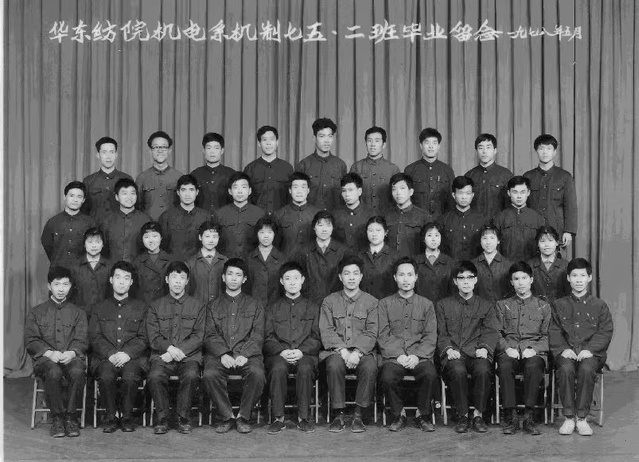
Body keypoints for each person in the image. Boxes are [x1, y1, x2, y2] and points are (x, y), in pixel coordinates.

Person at [550, 258, 613, 436]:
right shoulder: (559, 305)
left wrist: (590, 350)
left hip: (592, 353)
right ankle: (569, 418)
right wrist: (563, 349)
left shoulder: (599, 305)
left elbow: (605, 331)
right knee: (565, 368)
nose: (579, 280)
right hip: (567, 351)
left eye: (583, 276)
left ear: (589, 278)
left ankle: (582, 418)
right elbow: (554, 330)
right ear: (568, 278)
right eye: (574, 275)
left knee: (586, 369)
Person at [202, 258, 266, 434]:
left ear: (244, 279)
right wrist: (223, 354)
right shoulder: (212, 306)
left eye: (238, 275)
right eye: (230, 274)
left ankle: (243, 416)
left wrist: (244, 354)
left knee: (257, 373)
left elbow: (258, 334)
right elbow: (209, 334)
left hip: (247, 355)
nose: (233, 278)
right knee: (210, 374)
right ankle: (227, 416)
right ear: (223, 277)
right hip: (219, 356)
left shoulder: (255, 305)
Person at [435, 261, 499, 434]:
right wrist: (448, 350)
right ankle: (462, 415)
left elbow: (491, 331)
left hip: (476, 351)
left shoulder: (486, 305)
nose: (466, 281)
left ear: (475, 280)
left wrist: (484, 348)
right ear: (455, 281)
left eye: (470, 277)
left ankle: (478, 415)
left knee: (483, 369)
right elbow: (441, 333)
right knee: (457, 370)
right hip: (454, 352)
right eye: (461, 278)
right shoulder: (443, 305)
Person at [24, 266, 88, 438]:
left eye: (65, 284)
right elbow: (31, 340)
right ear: (49, 286)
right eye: (57, 284)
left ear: (70, 286)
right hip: (45, 360)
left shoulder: (78, 313)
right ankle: (57, 418)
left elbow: (82, 339)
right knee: (53, 371)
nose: (61, 289)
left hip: (71, 357)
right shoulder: (36, 312)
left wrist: (72, 353)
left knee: (77, 371)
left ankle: (71, 417)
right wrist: (49, 353)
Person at [378, 257, 438, 432]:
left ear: (416, 277)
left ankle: (422, 415)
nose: (406, 279)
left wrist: (417, 356)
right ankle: (399, 414)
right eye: (401, 275)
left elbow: (430, 335)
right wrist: (398, 355)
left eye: (410, 275)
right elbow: (383, 334)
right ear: (395, 277)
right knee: (387, 376)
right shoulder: (384, 304)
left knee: (430, 374)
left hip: (419, 356)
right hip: (395, 357)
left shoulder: (426, 305)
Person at [320, 255, 379, 433]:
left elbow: (372, 331)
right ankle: (338, 414)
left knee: (370, 366)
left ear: (361, 276)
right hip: (337, 351)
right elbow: (327, 330)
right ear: (340, 277)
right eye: (347, 273)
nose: (351, 277)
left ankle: (358, 415)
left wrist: (357, 352)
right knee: (333, 365)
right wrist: (343, 351)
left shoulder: (372, 302)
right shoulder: (329, 301)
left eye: (355, 273)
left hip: (363, 352)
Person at [146, 261, 206, 435]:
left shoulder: (198, 305)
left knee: (191, 375)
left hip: (189, 357)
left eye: (182, 278)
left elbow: (199, 335)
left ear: (187, 281)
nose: (178, 281)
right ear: (167, 280)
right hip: (162, 356)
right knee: (155, 376)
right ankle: (162, 418)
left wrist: (178, 351)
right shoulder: (155, 306)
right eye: (174, 277)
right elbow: (153, 336)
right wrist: (170, 349)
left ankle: (183, 418)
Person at [90, 261, 149, 433]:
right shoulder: (99, 308)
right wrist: (110, 353)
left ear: (131, 282)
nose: (121, 282)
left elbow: (144, 337)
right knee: (106, 375)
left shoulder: (142, 308)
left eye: (126, 278)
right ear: (111, 280)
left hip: (132, 358)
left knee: (130, 377)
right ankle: (110, 417)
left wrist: (127, 354)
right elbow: (94, 337)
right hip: (105, 358)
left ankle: (127, 417)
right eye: (118, 277)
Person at [264, 261, 321, 434]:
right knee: (278, 368)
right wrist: (281, 351)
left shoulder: (313, 308)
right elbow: (267, 337)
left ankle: (303, 418)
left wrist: (301, 351)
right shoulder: (272, 308)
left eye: (296, 278)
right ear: (281, 281)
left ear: (302, 280)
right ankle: (278, 418)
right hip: (279, 355)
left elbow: (317, 337)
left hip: (305, 354)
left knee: (305, 368)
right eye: (288, 278)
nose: (292, 282)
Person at [495, 261, 551, 435]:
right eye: (516, 279)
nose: (521, 282)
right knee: (504, 365)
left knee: (534, 366)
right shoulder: (502, 305)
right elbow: (496, 333)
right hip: (510, 349)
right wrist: (506, 348)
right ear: (511, 282)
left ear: (531, 280)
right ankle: (511, 415)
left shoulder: (543, 306)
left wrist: (534, 349)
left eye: (524, 278)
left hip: (534, 351)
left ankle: (529, 415)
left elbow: (548, 336)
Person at [523, 134, 578, 248]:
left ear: (555, 152)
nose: (545, 152)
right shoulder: (528, 176)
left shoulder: (565, 176)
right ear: (536, 151)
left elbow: (570, 205)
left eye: (549, 148)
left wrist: (568, 231)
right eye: (541, 148)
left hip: (557, 229)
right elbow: (524, 205)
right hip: (532, 230)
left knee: (557, 259)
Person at [296, 210, 349, 306]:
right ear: (314, 227)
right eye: (320, 225)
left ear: (333, 228)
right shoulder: (304, 252)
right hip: (310, 303)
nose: (324, 229)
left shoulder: (343, 252)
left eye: (328, 225)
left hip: (338, 303)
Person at [295, 118, 347, 210]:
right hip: (310, 217)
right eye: (322, 136)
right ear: (314, 138)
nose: (327, 140)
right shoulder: (304, 165)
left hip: (335, 216)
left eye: (330, 136)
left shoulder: (340, 165)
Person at [41, 181, 97, 268]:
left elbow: (95, 247)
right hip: (58, 271)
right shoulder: (53, 222)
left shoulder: (90, 223)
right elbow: (47, 244)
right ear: (65, 197)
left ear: (83, 200)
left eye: (79, 196)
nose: (75, 200)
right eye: (72, 195)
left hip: (82, 271)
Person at [212, 172, 267, 259]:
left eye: (243, 187)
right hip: (226, 262)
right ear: (230, 191)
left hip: (252, 262)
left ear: (250, 191)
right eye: (235, 187)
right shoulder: (220, 214)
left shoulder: (260, 214)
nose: (240, 191)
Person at [404, 127, 455, 220]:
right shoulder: (410, 170)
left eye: (434, 143)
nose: (431, 146)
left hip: (441, 221)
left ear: (439, 146)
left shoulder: (447, 170)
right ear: (421, 145)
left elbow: (452, 200)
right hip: (416, 221)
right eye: (427, 143)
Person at [493, 176, 545, 261]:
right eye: (515, 192)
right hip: (506, 266)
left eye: (522, 192)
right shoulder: (500, 218)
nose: (519, 196)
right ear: (508, 193)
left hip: (531, 266)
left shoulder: (537, 218)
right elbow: (495, 248)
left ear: (528, 192)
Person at [158, 174, 209, 262]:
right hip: (173, 265)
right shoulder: (166, 216)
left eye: (191, 190)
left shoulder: (205, 216)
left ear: (197, 192)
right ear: (178, 192)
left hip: (199, 265)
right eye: (183, 190)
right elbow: (162, 246)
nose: (187, 194)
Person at [243, 125, 294, 214]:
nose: (268, 143)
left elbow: (291, 196)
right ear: (259, 143)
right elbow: (246, 198)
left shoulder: (287, 168)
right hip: (256, 218)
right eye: (264, 140)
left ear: (277, 142)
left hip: (282, 218)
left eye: (272, 139)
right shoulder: (250, 168)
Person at [349, 126, 400, 213]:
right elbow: (350, 194)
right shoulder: (356, 167)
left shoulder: (393, 169)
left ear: (384, 145)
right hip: (361, 217)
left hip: (386, 217)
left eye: (377, 141)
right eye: (369, 141)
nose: (372, 144)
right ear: (365, 143)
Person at [135, 131, 183, 220]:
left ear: (169, 150)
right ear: (150, 151)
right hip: (148, 226)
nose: (160, 150)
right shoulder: (142, 178)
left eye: (164, 147)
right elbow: (137, 207)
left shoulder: (179, 177)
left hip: (173, 225)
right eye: (156, 147)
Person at [100, 178, 151, 262]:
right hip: (113, 267)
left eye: (132, 193)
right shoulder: (107, 221)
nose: (129, 197)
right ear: (117, 197)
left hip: (138, 267)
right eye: (124, 193)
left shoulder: (145, 220)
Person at [82, 136, 133, 220]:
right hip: (95, 227)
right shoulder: (89, 181)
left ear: (116, 154)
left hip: (120, 226)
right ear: (98, 155)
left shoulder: (126, 179)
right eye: (104, 152)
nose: (108, 156)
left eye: (112, 152)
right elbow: (84, 211)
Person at [464, 133, 513, 219]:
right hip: (474, 224)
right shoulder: (469, 175)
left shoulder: (506, 175)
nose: (484, 151)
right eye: (481, 148)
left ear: (495, 150)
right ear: (476, 151)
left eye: (488, 147)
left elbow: (511, 204)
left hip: (498, 224)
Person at [437, 176, 487, 261]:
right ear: (453, 195)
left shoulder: (482, 220)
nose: (464, 197)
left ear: (472, 195)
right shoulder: (443, 220)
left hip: (475, 267)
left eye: (468, 193)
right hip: (451, 266)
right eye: (460, 193)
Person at [273, 172, 321, 257]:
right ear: (290, 190)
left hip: (312, 262)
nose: (299, 191)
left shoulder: (318, 214)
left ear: (308, 190)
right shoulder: (279, 215)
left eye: (303, 187)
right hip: (287, 262)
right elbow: (275, 245)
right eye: (295, 187)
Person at [386, 173, 431, 258]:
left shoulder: (423, 216)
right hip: (390, 264)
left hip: (414, 263)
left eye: (402, 188)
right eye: (394, 189)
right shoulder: (386, 216)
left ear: (411, 192)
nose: (398, 193)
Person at [190, 132, 236, 214]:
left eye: (216, 148)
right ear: (204, 151)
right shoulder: (195, 174)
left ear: (222, 151)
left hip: (225, 219)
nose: (212, 152)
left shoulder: (231, 174)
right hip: (200, 219)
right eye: (209, 148)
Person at [246, 216, 285, 308]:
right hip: (253, 307)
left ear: (274, 234)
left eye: (270, 232)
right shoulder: (249, 258)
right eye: (262, 232)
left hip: (277, 307)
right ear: (257, 234)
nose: (266, 236)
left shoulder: (282, 258)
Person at [71, 227, 112, 316]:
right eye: (90, 242)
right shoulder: (75, 267)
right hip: (80, 315)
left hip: (104, 315)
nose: (94, 246)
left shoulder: (109, 266)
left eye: (97, 242)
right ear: (84, 244)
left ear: (103, 244)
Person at [186, 221, 228, 304]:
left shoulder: (225, 262)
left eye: (214, 236)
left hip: (220, 309)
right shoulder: (190, 263)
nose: (211, 240)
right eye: (207, 236)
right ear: (200, 237)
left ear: (219, 238)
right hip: (197, 309)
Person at [414, 222, 455, 303]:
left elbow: (453, 290)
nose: (433, 239)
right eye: (429, 235)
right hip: (420, 306)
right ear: (423, 238)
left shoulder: (450, 262)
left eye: (437, 235)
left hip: (443, 307)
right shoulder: (415, 262)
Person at [132, 222, 172, 304]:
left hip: (164, 306)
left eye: (155, 236)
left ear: (161, 237)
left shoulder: (171, 261)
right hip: (143, 305)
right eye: (146, 237)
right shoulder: (137, 262)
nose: (151, 240)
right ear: (142, 239)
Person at [333, 172, 374, 252]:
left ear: (359, 191)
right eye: (344, 191)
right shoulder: (335, 214)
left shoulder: (371, 214)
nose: (347, 194)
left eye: (350, 190)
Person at [472, 224, 514, 303]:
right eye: (484, 238)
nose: (488, 242)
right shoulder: (472, 265)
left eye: (492, 238)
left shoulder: (508, 265)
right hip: (478, 308)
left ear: (498, 241)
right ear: (480, 241)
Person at [528, 225, 570, 303]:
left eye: (550, 240)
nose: (546, 245)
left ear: (557, 243)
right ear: (537, 244)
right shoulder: (530, 265)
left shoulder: (565, 265)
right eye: (542, 241)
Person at [358, 216, 396, 300]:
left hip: (386, 302)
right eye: (370, 230)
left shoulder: (394, 256)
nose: (374, 234)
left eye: (378, 230)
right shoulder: (359, 255)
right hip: (363, 302)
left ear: (386, 232)